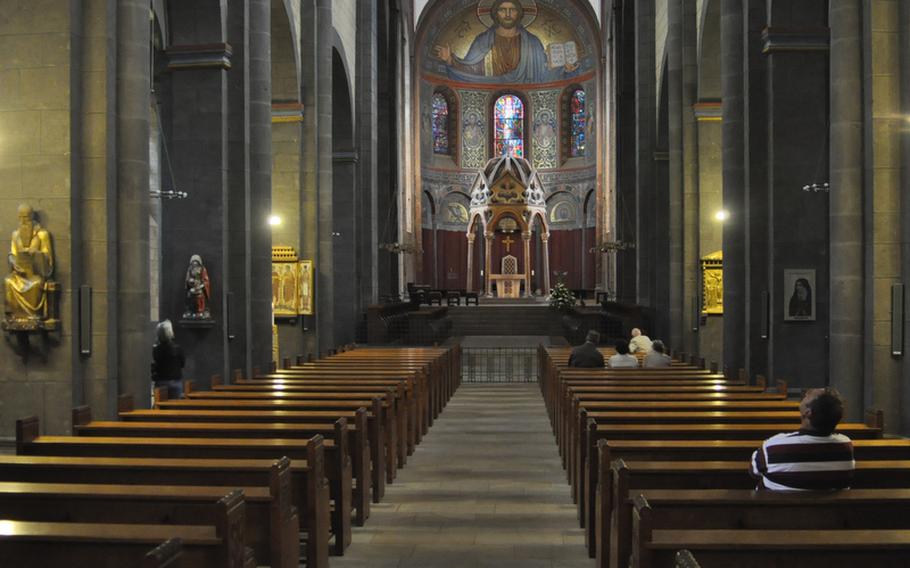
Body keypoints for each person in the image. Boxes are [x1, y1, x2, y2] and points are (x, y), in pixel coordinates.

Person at [432, 0, 578, 84]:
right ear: (496, 14)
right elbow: (471, 70)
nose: (507, 14)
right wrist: (451, 60)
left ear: (519, 14)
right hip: (486, 92)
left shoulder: (533, 43)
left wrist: (563, 69)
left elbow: (544, 76)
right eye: (502, 10)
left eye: (512, 10)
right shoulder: (482, 41)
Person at [750, 387, 855, 491]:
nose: (806, 393)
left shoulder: (774, 445)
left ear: (808, 412)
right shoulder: (845, 445)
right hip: (830, 508)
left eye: (809, 395)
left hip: (779, 507)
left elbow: (754, 471)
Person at [4, 204, 54, 325]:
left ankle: (34, 316)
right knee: (8, 281)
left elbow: (48, 256)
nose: (23, 221)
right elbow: (12, 254)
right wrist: (14, 263)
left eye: (25, 217)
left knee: (36, 284)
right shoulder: (15, 235)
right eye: (20, 217)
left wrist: (37, 255)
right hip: (20, 273)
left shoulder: (42, 234)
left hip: (36, 272)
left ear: (31, 216)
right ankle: (15, 315)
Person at [152, 319, 186, 400]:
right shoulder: (177, 348)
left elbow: (155, 364)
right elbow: (182, 364)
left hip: (161, 381)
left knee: (161, 408)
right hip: (175, 381)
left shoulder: (157, 349)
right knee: (176, 408)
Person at [183, 254, 211, 319]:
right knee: (190, 294)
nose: (195, 265)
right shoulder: (190, 269)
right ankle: (191, 311)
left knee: (200, 295)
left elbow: (206, 281)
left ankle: (200, 311)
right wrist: (190, 281)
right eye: (193, 264)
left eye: (196, 264)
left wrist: (201, 286)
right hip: (192, 287)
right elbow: (187, 279)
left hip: (200, 288)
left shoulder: (203, 269)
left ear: (199, 263)